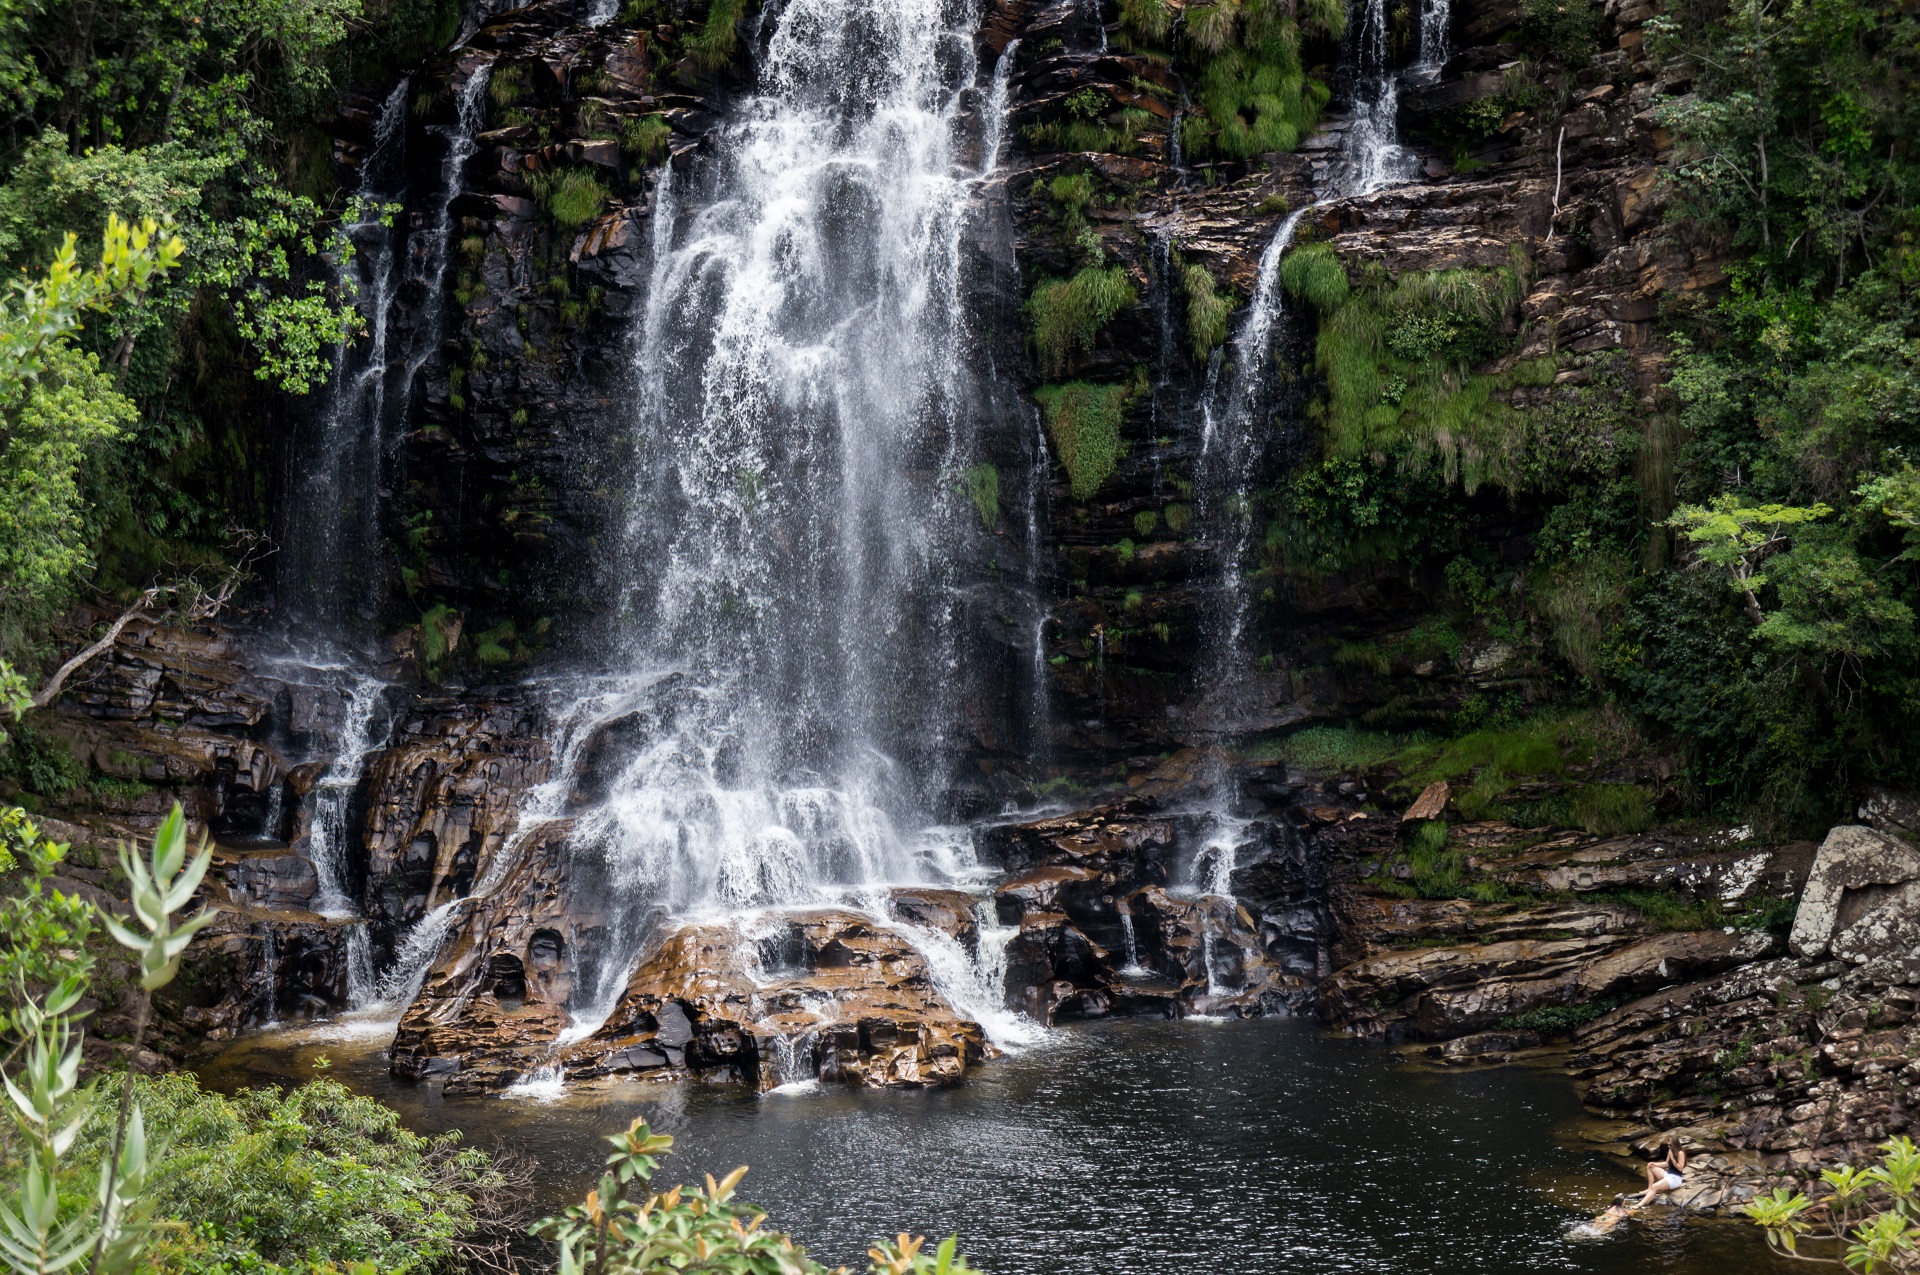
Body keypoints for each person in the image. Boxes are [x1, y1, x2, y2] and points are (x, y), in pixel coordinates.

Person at [1636, 1134, 1687, 1207]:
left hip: (1675, 1179)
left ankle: (1639, 1205)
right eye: (1668, 1145)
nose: (1669, 1147)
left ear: (1675, 1144)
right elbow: (1666, 1164)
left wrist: (1672, 1158)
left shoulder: (1680, 1153)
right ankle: (1649, 1189)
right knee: (1650, 1167)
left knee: (1655, 1187)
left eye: (1671, 1145)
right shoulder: (1670, 1150)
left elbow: (1680, 1168)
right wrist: (1654, 1164)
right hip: (1668, 1174)